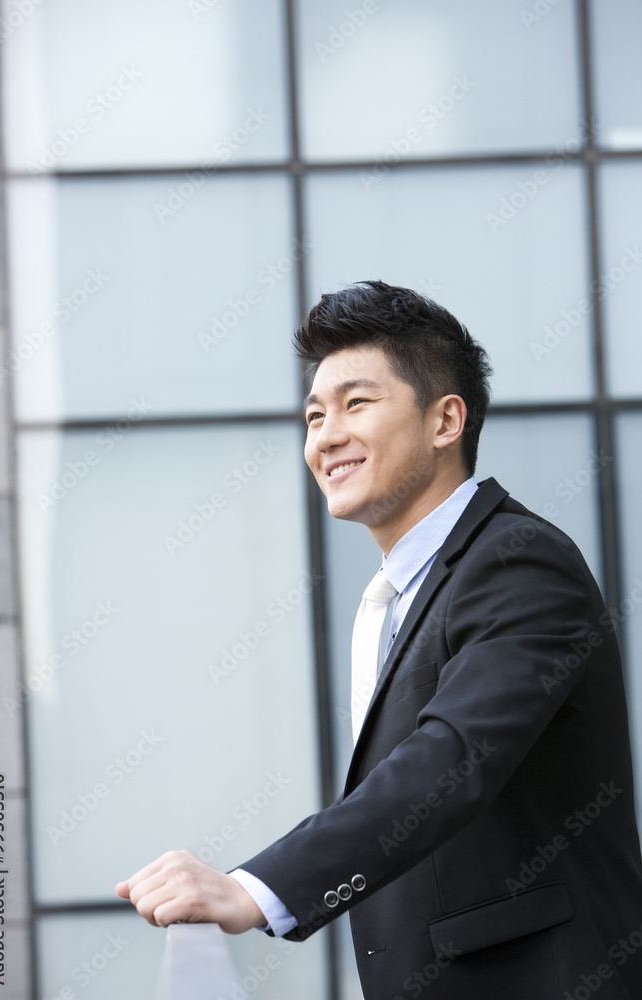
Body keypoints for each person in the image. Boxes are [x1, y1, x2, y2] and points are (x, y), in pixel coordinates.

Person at [116, 281, 642, 999]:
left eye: (356, 404)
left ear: (444, 420)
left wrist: (255, 888)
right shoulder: (401, 594)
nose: (326, 435)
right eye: (313, 415)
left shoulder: (517, 560)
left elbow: (450, 760)